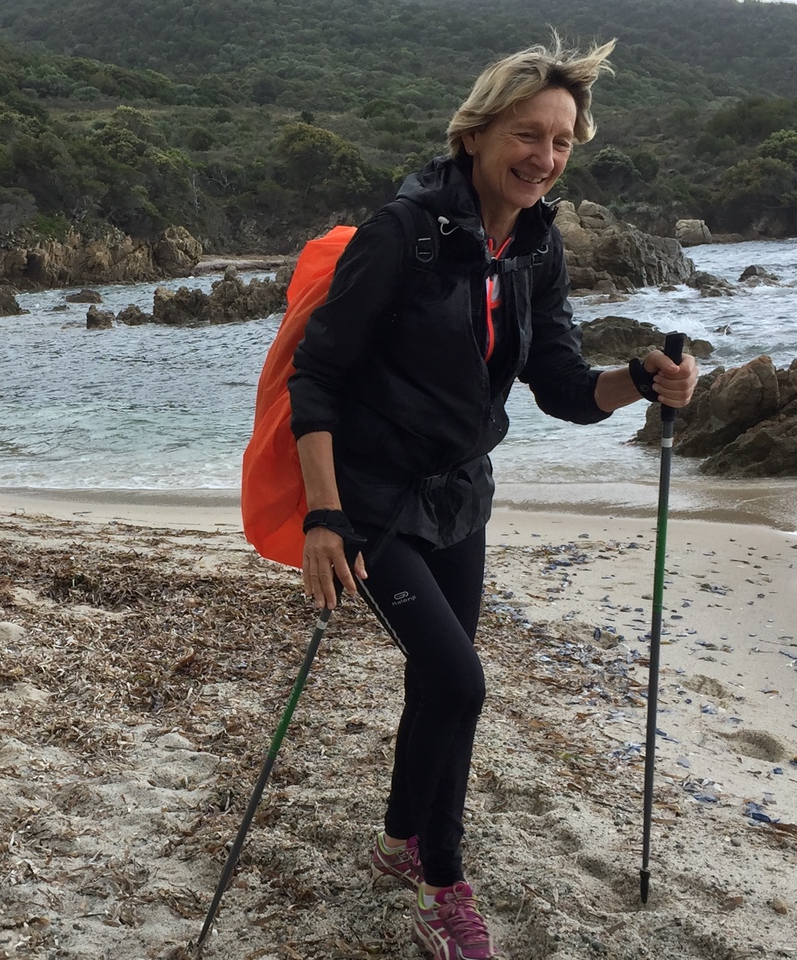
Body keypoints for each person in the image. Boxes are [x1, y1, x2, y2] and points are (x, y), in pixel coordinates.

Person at [288, 37, 697, 959]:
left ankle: (400, 840)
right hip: (375, 500)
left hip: (461, 496)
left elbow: (562, 386)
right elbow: (318, 377)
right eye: (527, 134)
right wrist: (323, 517)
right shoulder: (403, 233)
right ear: (474, 134)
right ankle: (444, 883)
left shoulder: (538, 246)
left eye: (562, 142)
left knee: (438, 682)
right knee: (460, 681)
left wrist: (641, 380)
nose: (545, 158)